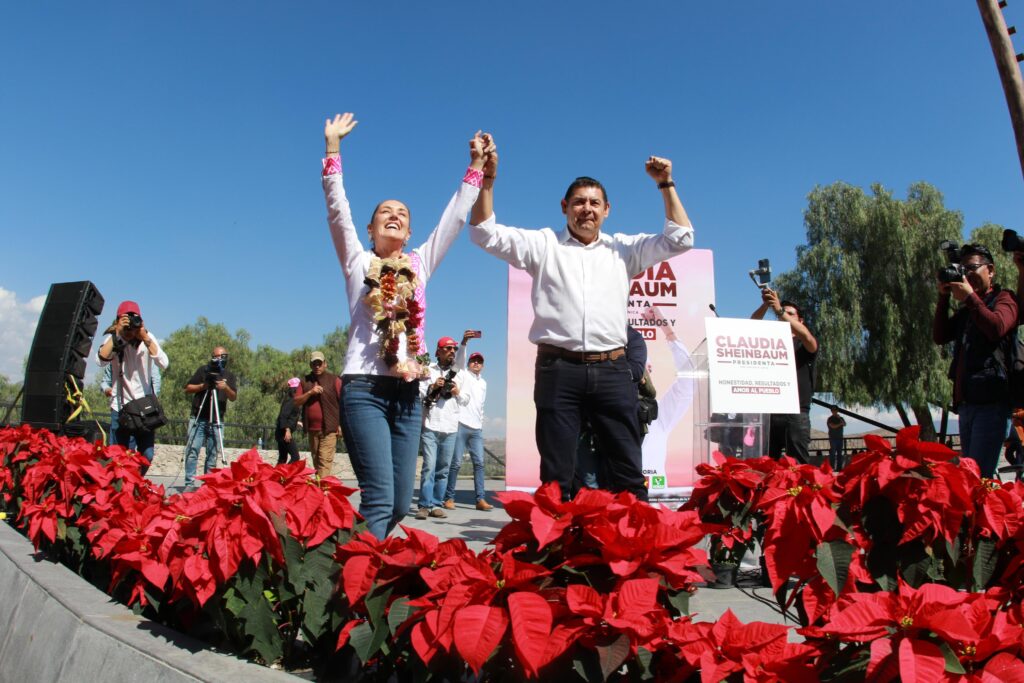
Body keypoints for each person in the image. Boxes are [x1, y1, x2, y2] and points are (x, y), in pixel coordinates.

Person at [468, 138, 693, 501]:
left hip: (613, 372)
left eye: (594, 203)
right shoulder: (543, 245)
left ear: (607, 210)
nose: (586, 209)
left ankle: (634, 553)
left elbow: (682, 238)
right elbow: (483, 233)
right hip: (559, 372)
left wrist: (665, 184)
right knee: (557, 476)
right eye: (578, 202)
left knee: (627, 472)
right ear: (564, 207)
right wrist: (487, 180)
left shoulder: (624, 249)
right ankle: (559, 555)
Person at [322, 112, 489, 539]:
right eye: (384, 212)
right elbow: (338, 213)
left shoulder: (419, 265)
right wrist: (333, 151)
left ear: (411, 230)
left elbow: (454, 218)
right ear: (371, 227)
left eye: (401, 213)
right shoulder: (359, 262)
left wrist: (474, 168)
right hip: (364, 389)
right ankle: (356, 594)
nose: (393, 215)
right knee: (378, 497)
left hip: (409, 394)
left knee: (399, 503)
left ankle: (344, 560)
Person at [934, 244, 1018, 478]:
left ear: (990, 270)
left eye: (972, 268)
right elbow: (940, 336)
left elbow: (997, 327)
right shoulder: (968, 310)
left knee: (977, 478)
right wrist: (943, 297)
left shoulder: (1005, 298)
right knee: (968, 477)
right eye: (963, 269)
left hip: (992, 404)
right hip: (967, 404)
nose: (967, 274)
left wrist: (970, 298)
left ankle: (989, 515)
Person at [574, 325, 648, 492]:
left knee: (624, 479)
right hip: (586, 425)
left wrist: (604, 369)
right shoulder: (584, 332)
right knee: (589, 480)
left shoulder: (632, 337)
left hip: (620, 419)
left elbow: (636, 371)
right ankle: (593, 515)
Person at [95, 300, 169, 467]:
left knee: (147, 456)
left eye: (134, 318)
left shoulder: (147, 337)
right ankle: (121, 490)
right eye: (125, 319)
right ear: (118, 320)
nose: (130, 324)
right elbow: (100, 360)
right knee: (117, 458)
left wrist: (144, 337)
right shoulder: (113, 339)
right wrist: (119, 333)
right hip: (120, 407)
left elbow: (164, 363)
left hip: (144, 407)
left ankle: (135, 486)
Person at [752, 289, 818, 463]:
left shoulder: (804, 344)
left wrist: (780, 310)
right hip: (771, 413)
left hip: (796, 413)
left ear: (800, 320)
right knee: (766, 464)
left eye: (790, 314)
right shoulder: (771, 343)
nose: (783, 317)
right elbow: (751, 326)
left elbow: (808, 337)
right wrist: (767, 304)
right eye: (781, 314)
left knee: (798, 465)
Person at [415, 336, 464, 520]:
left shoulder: (460, 373)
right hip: (431, 423)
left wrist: (457, 392)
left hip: (450, 426)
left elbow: (466, 399)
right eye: (448, 348)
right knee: (429, 465)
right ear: (439, 351)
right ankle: (424, 505)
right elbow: (420, 394)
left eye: (454, 348)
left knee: (443, 468)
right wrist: (433, 386)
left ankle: (436, 504)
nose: (452, 351)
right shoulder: (429, 370)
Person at [443, 330, 491, 511]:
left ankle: (480, 500)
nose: (476, 363)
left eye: (479, 361)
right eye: (473, 361)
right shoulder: (463, 374)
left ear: (483, 366)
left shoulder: (484, 383)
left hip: (476, 428)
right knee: (455, 463)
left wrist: (480, 421)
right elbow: (460, 359)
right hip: (461, 424)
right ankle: (449, 498)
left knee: (479, 463)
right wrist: (464, 342)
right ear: (469, 363)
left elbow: (481, 405)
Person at [182, 346, 238, 488]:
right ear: (212, 356)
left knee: (212, 454)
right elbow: (187, 388)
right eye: (218, 356)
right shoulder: (203, 370)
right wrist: (204, 386)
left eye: (224, 356)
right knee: (192, 450)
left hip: (217, 419)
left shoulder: (229, 375)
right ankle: (189, 483)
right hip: (199, 418)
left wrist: (225, 388)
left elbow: (233, 397)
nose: (221, 359)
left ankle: (207, 485)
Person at [294, 350, 342, 479]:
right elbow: (296, 401)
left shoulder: (334, 380)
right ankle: (321, 490)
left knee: (324, 461)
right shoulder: (304, 381)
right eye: (314, 363)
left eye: (319, 363)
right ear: (310, 365)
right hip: (312, 430)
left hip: (329, 430)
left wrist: (341, 424)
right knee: (316, 461)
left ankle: (322, 492)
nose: (317, 366)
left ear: (325, 364)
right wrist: (310, 393)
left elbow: (343, 402)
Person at [101, 361, 161, 449]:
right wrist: (106, 389)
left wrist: (151, 401)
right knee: (118, 451)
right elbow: (105, 381)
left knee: (147, 453)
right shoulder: (115, 359)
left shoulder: (148, 359)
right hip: (119, 409)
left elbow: (156, 380)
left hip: (142, 410)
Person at [275, 377, 303, 466]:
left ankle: (275, 478)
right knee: (295, 457)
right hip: (284, 433)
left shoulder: (289, 399)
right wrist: (287, 430)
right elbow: (283, 416)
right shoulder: (291, 400)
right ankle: (284, 476)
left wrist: (296, 422)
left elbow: (289, 415)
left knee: (282, 459)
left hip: (280, 432)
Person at [827, 406, 847, 471]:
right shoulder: (830, 419)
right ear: (831, 411)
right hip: (833, 439)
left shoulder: (841, 418)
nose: (834, 411)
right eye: (833, 410)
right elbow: (833, 426)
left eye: (835, 410)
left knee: (839, 454)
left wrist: (840, 420)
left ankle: (839, 468)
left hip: (840, 439)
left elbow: (844, 424)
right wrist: (840, 424)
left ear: (837, 411)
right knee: (832, 454)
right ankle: (832, 468)